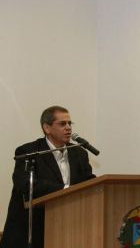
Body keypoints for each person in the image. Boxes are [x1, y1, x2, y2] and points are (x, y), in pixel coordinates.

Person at [0, 106, 95, 248]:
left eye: (70, 123)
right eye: (62, 124)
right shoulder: (29, 152)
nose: (68, 127)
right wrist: (66, 189)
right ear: (47, 128)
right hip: (31, 230)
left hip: (69, 229)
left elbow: (88, 181)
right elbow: (26, 184)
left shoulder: (79, 153)